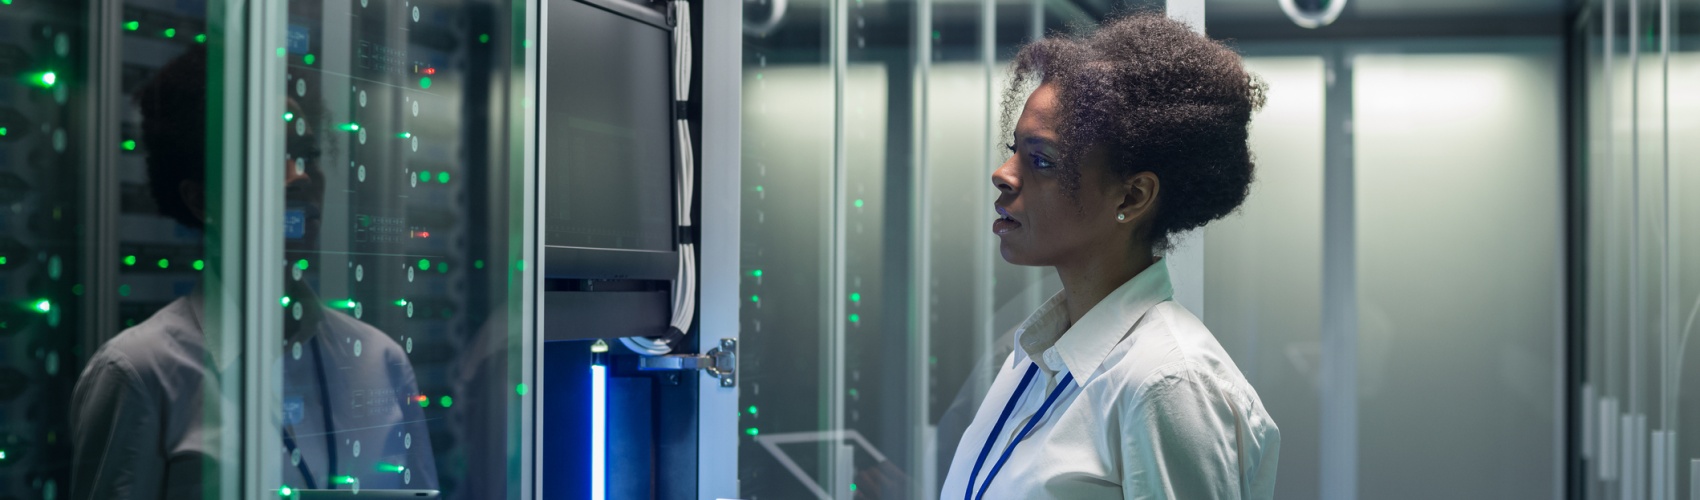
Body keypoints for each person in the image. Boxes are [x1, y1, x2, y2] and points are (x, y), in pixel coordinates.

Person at [68, 47, 438, 499]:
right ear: (202, 200)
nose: (302, 176)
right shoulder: (141, 373)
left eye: (307, 153)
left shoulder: (380, 362)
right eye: (270, 157)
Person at [941, 13, 1279, 499]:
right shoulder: (1032, 359)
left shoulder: (1166, 383)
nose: (1003, 173)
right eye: (1014, 150)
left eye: (1042, 161)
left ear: (1131, 197)